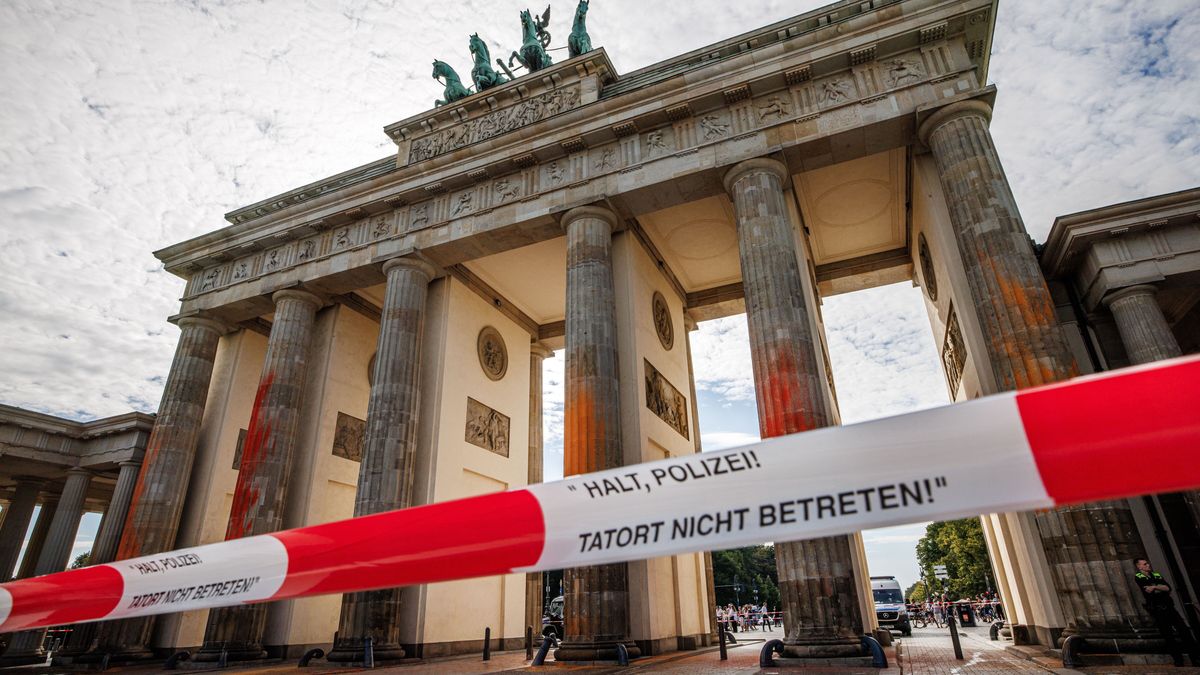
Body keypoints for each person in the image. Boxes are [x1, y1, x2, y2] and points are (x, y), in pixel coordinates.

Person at [1134, 558, 1198, 667]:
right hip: (1158, 610)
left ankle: (1195, 658)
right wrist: (1159, 588)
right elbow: (1148, 591)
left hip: (1169, 608)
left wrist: (1154, 586)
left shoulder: (1156, 574)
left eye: (1147, 563)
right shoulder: (1138, 576)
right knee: (1168, 636)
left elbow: (1168, 588)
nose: (1148, 565)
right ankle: (1178, 660)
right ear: (1139, 566)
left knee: (1184, 631)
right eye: (1145, 564)